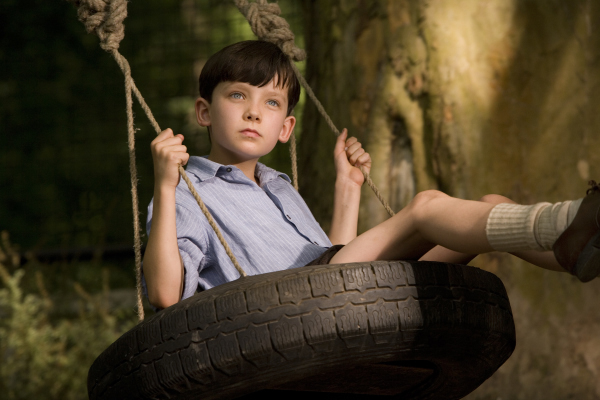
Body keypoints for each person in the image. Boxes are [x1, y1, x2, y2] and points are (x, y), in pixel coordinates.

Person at [142, 40, 600, 310]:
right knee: (425, 207)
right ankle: (565, 220)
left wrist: (349, 188)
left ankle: (576, 251)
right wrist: (165, 186)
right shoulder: (190, 190)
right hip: (285, 309)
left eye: (272, 103)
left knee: (491, 203)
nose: (254, 113)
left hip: (332, 292)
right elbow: (165, 294)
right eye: (238, 96)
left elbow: (333, 257)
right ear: (204, 111)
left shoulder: (278, 184)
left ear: (285, 129)